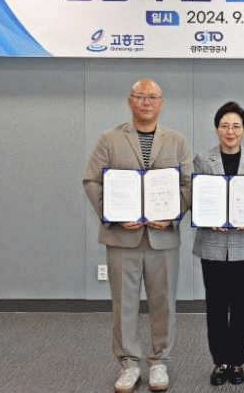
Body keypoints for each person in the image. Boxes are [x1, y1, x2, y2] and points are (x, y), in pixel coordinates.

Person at [83, 78, 192, 393]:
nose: (146, 102)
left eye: (152, 97)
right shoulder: (109, 139)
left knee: (164, 303)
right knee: (124, 305)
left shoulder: (177, 141)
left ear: (161, 103)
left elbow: (188, 184)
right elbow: (91, 181)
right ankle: (129, 365)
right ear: (130, 101)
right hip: (122, 238)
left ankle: (159, 362)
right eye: (140, 96)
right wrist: (114, 215)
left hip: (163, 238)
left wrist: (172, 214)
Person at [193, 102, 244, 386]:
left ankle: (237, 361)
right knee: (215, 306)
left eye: (236, 126)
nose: (230, 131)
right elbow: (196, 195)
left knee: (241, 306)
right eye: (224, 125)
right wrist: (205, 216)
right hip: (212, 243)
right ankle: (219, 362)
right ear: (216, 129)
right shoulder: (203, 159)